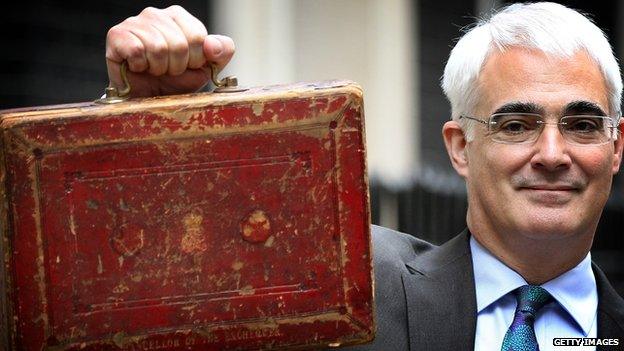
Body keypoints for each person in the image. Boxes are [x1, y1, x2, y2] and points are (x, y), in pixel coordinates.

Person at [106, 3, 624, 350]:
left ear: (616, 146)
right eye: (516, 124)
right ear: (461, 147)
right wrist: (159, 130)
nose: (553, 153)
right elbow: (180, 288)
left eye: (582, 124)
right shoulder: (346, 281)